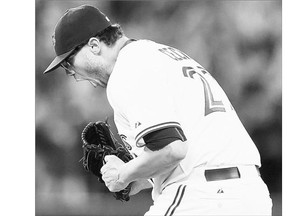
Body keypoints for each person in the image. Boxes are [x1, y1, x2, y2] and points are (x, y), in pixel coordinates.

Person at [44, 4, 272, 216]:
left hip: (202, 198)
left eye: (68, 63)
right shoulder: (158, 54)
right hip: (249, 195)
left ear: (94, 46)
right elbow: (180, 153)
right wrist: (134, 176)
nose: (72, 74)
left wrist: (122, 174)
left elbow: (173, 149)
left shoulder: (127, 69)